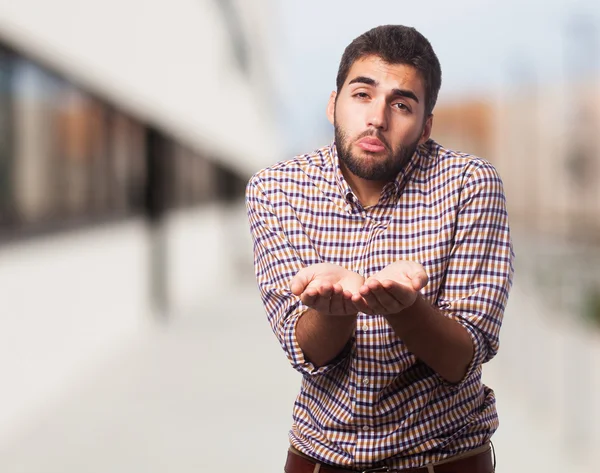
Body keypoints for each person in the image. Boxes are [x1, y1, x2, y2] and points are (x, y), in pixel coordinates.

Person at [246, 24, 513, 473]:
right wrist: (339, 307)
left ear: (425, 127)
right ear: (334, 104)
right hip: (321, 458)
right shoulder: (276, 190)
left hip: (443, 458)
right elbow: (305, 352)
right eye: (362, 95)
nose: (377, 118)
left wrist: (405, 308)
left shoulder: (471, 184)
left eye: (401, 104)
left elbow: (462, 359)